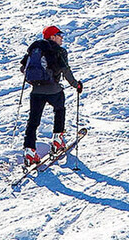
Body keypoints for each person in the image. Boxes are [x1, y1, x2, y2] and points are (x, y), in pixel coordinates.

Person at [20, 25, 83, 166]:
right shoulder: (59, 51)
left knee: (33, 121)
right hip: (53, 89)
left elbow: (23, 68)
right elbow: (65, 71)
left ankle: (30, 151)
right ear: (52, 37)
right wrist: (76, 85)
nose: (61, 38)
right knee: (59, 109)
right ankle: (57, 140)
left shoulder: (35, 50)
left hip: (36, 91)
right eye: (59, 35)